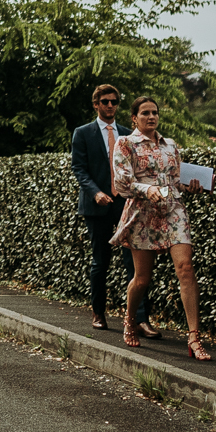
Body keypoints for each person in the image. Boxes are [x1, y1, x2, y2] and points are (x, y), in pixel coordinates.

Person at [109, 96, 211, 362]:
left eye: (154, 112)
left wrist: (192, 186)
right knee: (142, 279)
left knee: (185, 268)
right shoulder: (125, 143)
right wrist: (148, 189)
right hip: (143, 213)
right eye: (145, 113)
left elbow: (176, 181)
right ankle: (130, 319)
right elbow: (122, 183)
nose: (151, 117)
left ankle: (194, 338)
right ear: (134, 118)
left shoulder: (170, 145)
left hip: (173, 210)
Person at [69, 83, 157, 336]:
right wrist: (95, 193)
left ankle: (140, 319)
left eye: (114, 101)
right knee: (101, 261)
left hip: (127, 205)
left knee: (136, 264)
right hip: (97, 205)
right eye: (105, 101)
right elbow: (79, 169)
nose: (110, 105)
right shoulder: (82, 133)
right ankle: (98, 313)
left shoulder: (129, 135)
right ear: (96, 104)